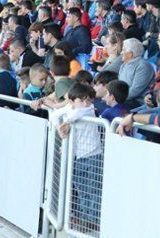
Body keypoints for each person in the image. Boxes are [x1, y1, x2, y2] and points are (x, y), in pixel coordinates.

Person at [52, 83, 103, 229]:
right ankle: (85, 218)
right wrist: (59, 129)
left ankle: (92, 220)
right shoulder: (70, 108)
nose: (85, 103)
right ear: (72, 101)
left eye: (88, 100)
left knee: (93, 189)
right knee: (81, 188)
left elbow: (77, 115)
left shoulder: (88, 110)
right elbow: (55, 115)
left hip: (93, 155)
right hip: (77, 156)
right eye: (81, 100)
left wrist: (66, 123)